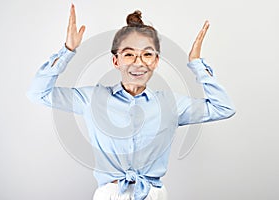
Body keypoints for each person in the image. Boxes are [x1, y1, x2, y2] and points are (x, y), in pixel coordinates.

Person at [27, 4, 235, 200]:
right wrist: (67, 50)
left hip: (153, 195)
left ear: (156, 61)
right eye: (129, 54)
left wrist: (196, 64)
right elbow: (38, 93)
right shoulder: (92, 99)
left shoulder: (171, 104)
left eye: (147, 54)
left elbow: (223, 107)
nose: (138, 62)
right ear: (116, 61)